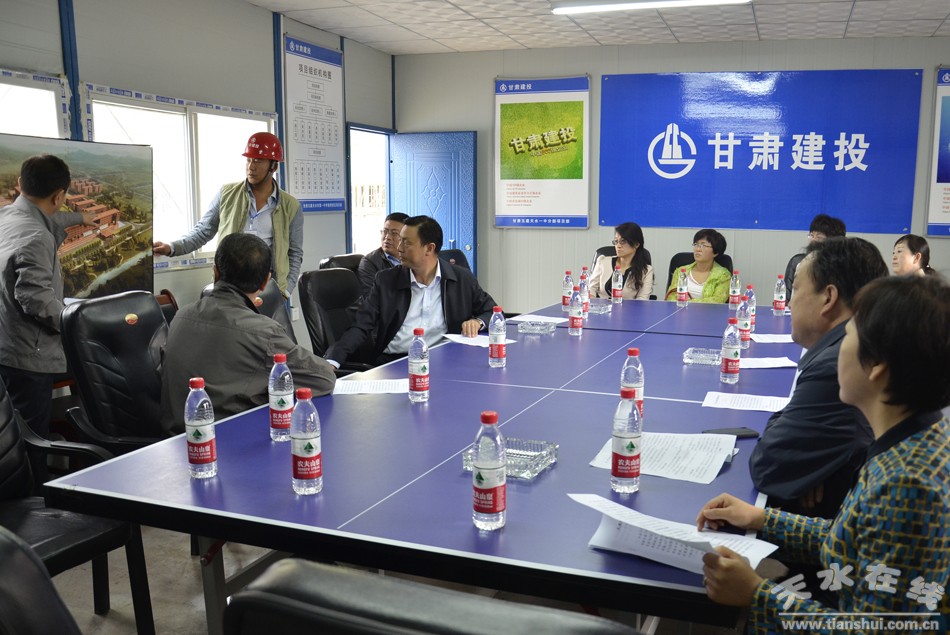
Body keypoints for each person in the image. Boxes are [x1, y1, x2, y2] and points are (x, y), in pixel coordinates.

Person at [696, 275, 950, 634]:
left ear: (876, 366)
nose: (836, 349)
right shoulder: (913, 439)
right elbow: (852, 540)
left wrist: (758, 594)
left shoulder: (906, 484)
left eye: (847, 336)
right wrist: (762, 518)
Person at [750, 237, 889, 518]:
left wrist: (805, 462)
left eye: (795, 289)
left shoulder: (836, 365)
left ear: (828, 297)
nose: (789, 302)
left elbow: (768, 464)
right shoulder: (866, 341)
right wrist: (816, 463)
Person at [160, 233, 335, 434]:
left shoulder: (180, 316)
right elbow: (324, 378)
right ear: (266, 281)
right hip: (230, 442)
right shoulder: (263, 333)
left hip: (176, 441)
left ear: (215, 272)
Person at [0, 154, 96, 439]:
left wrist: (81, 217)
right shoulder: (37, 236)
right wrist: (75, 324)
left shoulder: (6, 217)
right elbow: (37, 301)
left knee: (10, 439)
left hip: (6, 346)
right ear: (58, 196)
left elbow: (55, 219)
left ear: (21, 183)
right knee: (32, 441)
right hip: (28, 357)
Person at [326, 215, 496, 367]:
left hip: (445, 359)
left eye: (406, 242)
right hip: (394, 361)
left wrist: (478, 322)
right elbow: (361, 325)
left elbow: (492, 311)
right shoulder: (386, 280)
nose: (399, 247)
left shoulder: (461, 278)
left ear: (429, 248)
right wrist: (334, 359)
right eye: (400, 240)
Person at [153, 132, 303, 298]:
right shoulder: (227, 194)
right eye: (249, 160)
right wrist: (172, 248)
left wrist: (285, 291)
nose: (251, 167)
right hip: (229, 286)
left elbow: (295, 253)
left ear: (273, 167)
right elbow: (203, 231)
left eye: (258, 161)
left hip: (268, 289)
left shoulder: (291, 206)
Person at [784, 213, 846, 303]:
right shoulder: (797, 262)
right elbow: (785, 298)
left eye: (818, 237)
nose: (813, 240)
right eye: (811, 235)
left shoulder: (840, 267)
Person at [589, 222, 654, 300]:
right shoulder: (603, 261)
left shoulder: (646, 271)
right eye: (616, 241)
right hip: (602, 306)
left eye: (623, 241)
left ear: (636, 244)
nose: (618, 246)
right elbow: (591, 289)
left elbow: (642, 300)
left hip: (630, 308)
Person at [664, 229, 730, 303]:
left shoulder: (723, 275)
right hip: (680, 310)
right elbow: (671, 297)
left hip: (708, 311)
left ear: (715, 252)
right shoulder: (681, 271)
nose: (698, 249)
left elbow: (717, 300)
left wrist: (687, 303)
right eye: (696, 244)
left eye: (703, 245)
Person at [358, 212, 409, 298]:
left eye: (394, 233)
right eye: (385, 231)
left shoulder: (413, 257)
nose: (387, 237)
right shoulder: (370, 262)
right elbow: (371, 298)